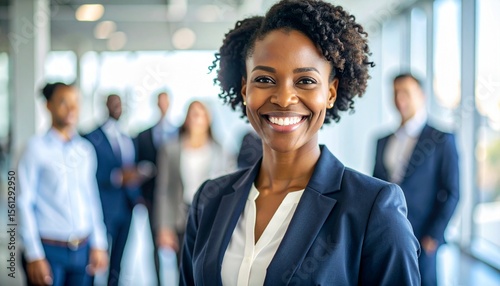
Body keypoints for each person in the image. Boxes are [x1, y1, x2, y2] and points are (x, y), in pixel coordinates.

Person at [180, 0, 421, 285]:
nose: (283, 99)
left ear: (330, 93)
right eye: (265, 79)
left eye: (305, 80)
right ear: (245, 89)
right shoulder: (209, 201)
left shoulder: (372, 210)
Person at [373, 73, 460, 286]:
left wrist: (434, 236)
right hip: (386, 234)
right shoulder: (382, 140)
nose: (399, 99)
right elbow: (375, 187)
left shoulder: (441, 139)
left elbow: (452, 192)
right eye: (395, 93)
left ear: (422, 96)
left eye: (406, 93)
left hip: (423, 236)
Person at [18, 82, 108, 286]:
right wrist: (33, 254)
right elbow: (21, 202)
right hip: (48, 251)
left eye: (76, 102)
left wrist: (99, 243)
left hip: (83, 250)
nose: (71, 109)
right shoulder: (34, 149)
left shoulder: (85, 150)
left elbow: (91, 198)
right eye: (63, 102)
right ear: (48, 106)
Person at [154, 100, 233, 262]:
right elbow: (164, 190)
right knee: (184, 270)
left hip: (212, 220)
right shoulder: (171, 150)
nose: (198, 119)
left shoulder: (221, 152)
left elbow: (230, 192)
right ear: (187, 119)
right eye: (194, 114)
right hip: (182, 218)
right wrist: (164, 227)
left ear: (209, 119)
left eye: (202, 114)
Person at [83, 94, 142, 286]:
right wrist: (115, 177)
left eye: (120, 104)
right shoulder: (91, 137)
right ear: (106, 106)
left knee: (118, 259)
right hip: (103, 206)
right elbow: (88, 173)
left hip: (126, 207)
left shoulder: (128, 138)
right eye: (114, 103)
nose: (118, 107)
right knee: (95, 257)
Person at [134, 91, 178, 284]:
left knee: (179, 243)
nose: (162, 105)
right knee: (154, 242)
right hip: (152, 197)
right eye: (159, 101)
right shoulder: (143, 135)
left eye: (165, 101)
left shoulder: (179, 132)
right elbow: (136, 166)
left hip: (175, 197)